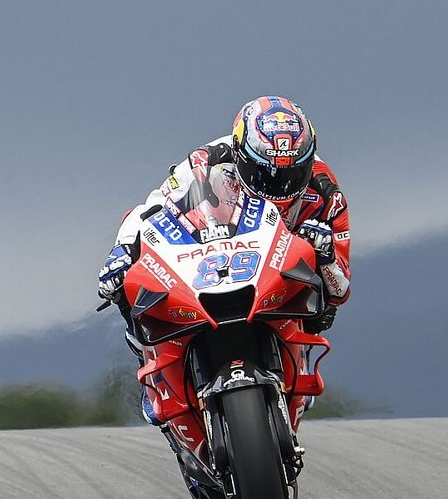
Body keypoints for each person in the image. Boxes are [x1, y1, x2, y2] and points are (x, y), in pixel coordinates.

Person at [97, 96, 351, 420]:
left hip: (280, 276)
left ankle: (293, 368)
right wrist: (120, 252)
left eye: (292, 175)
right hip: (219, 257)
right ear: (241, 155)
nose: (279, 187)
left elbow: (341, 288)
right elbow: (152, 208)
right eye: (264, 175)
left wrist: (325, 254)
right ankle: (152, 369)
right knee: (126, 283)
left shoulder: (327, 192)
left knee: (323, 309)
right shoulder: (208, 160)